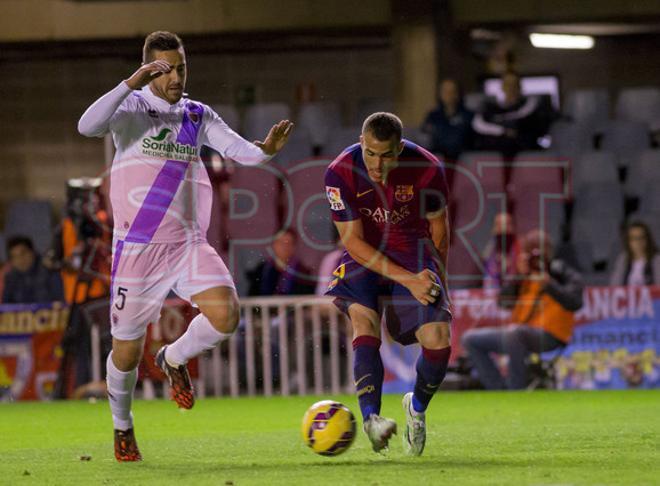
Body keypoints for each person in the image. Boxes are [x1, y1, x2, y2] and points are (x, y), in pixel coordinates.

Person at [78, 31, 292, 461]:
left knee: (226, 315)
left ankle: (173, 358)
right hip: (137, 251)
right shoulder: (132, 107)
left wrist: (264, 150)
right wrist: (131, 82)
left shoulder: (197, 114)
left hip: (186, 245)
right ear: (149, 69)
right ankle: (123, 427)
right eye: (165, 69)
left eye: (181, 67)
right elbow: (87, 126)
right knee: (125, 351)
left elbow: (240, 151)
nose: (175, 76)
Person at [324, 112, 451, 456]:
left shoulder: (427, 168)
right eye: (371, 154)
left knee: (438, 340)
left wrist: (438, 280)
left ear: (401, 147)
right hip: (364, 254)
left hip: (412, 250)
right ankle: (372, 420)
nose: (378, 166)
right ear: (361, 141)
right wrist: (408, 281)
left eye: (388, 155)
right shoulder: (339, 172)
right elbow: (352, 243)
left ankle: (417, 408)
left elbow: (439, 232)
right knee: (364, 321)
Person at [461, 230, 583, 390]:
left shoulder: (561, 271)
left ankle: (515, 390)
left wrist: (549, 284)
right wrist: (517, 276)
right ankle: (498, 390)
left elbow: (575, 302)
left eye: (539, 250)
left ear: (549, 251)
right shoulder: (523, 275)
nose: (536, 256)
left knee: (515, 333)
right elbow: (503, 302)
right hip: (517, 333)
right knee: (470, 339)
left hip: (550, 335)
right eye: (530, 251)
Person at [473, 71, 557, 159]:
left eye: (514, 84)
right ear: (502, 87)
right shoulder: (490, 108)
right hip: (493, 154)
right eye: (507, 84)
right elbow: (479, 126)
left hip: (524, 152)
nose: (511, 88)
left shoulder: (530, 106)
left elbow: (528, 128)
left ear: (520, 87)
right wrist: (503, 131)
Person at [246, 229, 315, 296]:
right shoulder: (262, 271)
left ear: (294, 247)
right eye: (280, 242)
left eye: (288, 243)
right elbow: (253, 295)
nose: (285, 247)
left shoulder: (302, 273)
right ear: (274, 245)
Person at [421, 78, 473, 163]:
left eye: (452, 91)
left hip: (463, 162)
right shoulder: (433, 116)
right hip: (437, 160)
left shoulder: (468, 116)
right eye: (445, 91)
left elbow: (463, 140)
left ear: (459, 93)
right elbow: (425, 137)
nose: (448, 94)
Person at [2, 236, 64, 304]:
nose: (20, 259)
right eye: (14, 257)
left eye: (23, 253)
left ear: (32, 252)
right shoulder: (10, 278)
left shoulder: (49, 270)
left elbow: (60, 301)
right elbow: (6, 308)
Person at [610, 221, 660, 286]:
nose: (638, 242)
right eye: (634, 238)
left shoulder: (657, 260)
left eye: (641, 237)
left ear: (647, 239)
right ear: (628, 242)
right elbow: (614, 286)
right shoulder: (623, 259)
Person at [481, 212, 520, 290]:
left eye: (507, 224)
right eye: (498, 225)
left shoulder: (519, 249)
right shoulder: (489, 250)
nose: (503, 228)